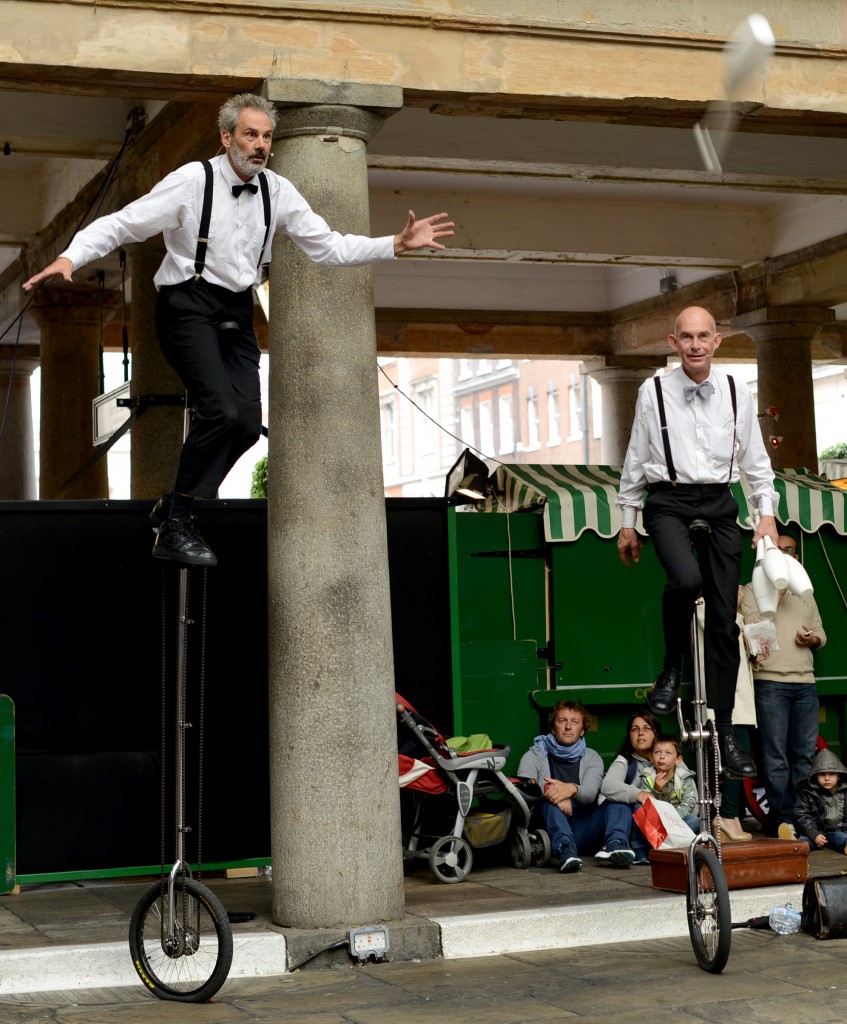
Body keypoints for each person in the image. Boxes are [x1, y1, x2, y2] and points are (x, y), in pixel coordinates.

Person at [23, 93, 454, 567]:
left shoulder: (278, 191)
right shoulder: (192, 181)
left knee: (247, 425)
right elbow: (124, 224)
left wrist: (394, 242)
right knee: (220, 409)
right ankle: (179, 520)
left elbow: (329, 247)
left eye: (267, 137)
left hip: (233, 309)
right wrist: (70, 257)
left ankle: (175, 503)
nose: (260, 145)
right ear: (226, 137)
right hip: (185, 304)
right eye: (251, 134)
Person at [615, 305, 779, 779]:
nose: (695, 345)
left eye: (703, 336)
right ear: (673, 342)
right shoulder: (653, 391)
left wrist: (765, 515)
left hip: (720, 501)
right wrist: (628, 519)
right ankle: (670, 669)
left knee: (726, 621)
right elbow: (636, 455)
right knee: (685, 579)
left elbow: (755, 458)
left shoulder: (734, 389)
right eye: (686, 337)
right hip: (668, 500)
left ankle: (724, 730)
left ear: (717, 341)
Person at [740, 530, 826, 839]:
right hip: (770, 683)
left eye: (790, 551)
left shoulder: (805, 592)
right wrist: (773, 596)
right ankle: (783, 819)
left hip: (805, 684)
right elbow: (753, 629)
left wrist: (812, 638)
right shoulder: (751, 590)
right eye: (779, 551)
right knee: (774, 756)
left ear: (796, 557)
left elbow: (821, 632)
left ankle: (805, 818)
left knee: (804, 756)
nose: (785, 556)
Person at [517, 700, 635, 872]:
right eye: (562, 721)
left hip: (585, 828)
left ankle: (615, 845)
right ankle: (565, 850)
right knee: (548, 803)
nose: (568, 727)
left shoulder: (592, 757)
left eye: (574, 722)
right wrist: (554, 794)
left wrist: (570, 789)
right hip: (550, 831)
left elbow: (589, 794)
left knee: (618, 801)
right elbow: (525, 787)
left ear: (582, 730)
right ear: (553, 727)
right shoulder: (534, 754)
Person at [600, 710, 661, 864]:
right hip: (628, 829)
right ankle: (616, 846)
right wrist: (639, 794)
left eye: (646, 728)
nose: (641, 733)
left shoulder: (670, 757)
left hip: (662, 825)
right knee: (619, 801)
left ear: (656, 734)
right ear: (629, 737)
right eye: (635, 729)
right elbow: (608, 786)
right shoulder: (625, 760)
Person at [640, 733, 699, 835]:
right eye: (657, 752)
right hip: (656, 820)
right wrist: (657, 790)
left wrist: (671, 818)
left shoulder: (684, 776)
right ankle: (641, 849)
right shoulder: (647, 775)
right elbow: (646, 804)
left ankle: (672, 840)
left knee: (693, 820)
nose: (662, 757)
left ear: (678, 760)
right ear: (651, 757)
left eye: (668, 753)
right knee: (638, 814)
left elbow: (689, 803)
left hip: (677, 819)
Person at [794, 747, 847, 853]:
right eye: (822, 774)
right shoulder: (807, 792)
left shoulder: (845, 792)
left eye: (831, 774)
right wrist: (814, 834)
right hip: (815, 832)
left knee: (842, 839)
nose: (827, 778)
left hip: (838, 831)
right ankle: (792, 844)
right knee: (804, 842)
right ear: (815, 775)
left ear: (839, 776)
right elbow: (803, 816)